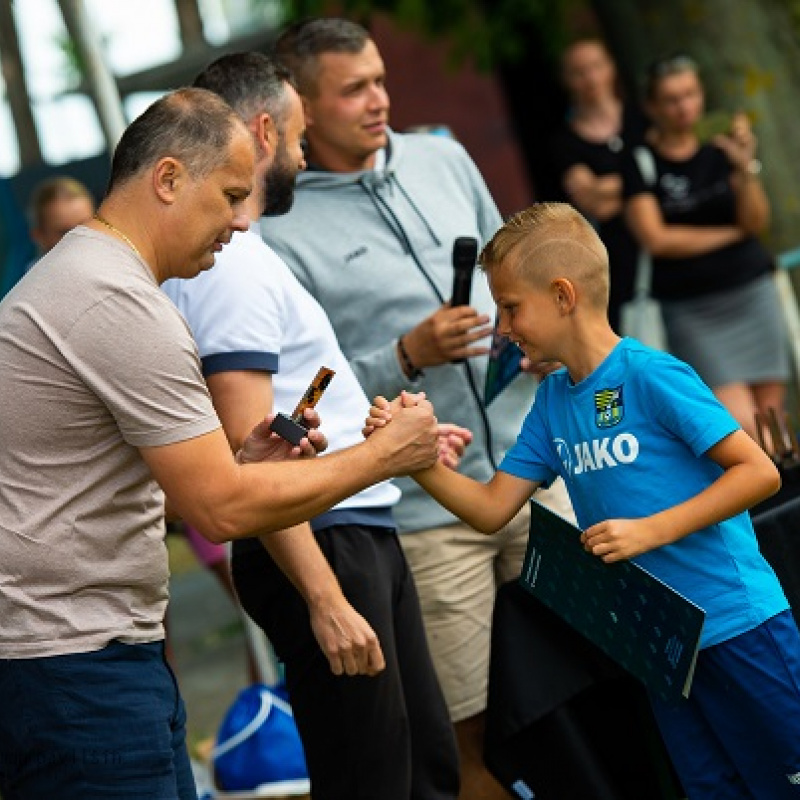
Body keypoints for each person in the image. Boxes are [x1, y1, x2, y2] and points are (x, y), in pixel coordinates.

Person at [0, 86, 442, 800]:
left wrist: (238, 466)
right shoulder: (115, 301)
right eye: (231, 195)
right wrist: (386, 456)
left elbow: (143, 487)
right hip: (74, 668)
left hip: (86, 658)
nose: (240, 222)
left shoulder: (98, 281)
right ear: (168, 179)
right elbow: (221, 513)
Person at [367, 201, 800, 800]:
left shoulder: (652, 374)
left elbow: (759, 473)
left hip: (741, 625)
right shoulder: (551, 402)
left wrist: (652, 530)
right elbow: (493, 508)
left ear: (564, 295)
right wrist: (413, 460)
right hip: (662, 651)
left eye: (512, 307)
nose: (505, 327)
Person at [264, 17, 575, 799]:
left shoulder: (443, 154)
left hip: (541, 476)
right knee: (468, 740)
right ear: (301, 106)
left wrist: (528, 329)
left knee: (599, 693)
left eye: (380, 79)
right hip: (428, 521)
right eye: (355, 89)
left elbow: (523, 270)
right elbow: (306, 391)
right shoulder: (276, 232)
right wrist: (403, 355)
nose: (380, 100)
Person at [163, 52, 462, 800]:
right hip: (325, 545)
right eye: (298, 135)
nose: (302, 153)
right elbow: (252, 460)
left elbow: (299, 403)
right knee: (373, 779)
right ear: (265, 131)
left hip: (353, 529)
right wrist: (326, 599)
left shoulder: (252, 257)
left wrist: (383, 436)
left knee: (421, 771)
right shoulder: (228, 266)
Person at [621, 54, 787, 439]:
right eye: (672, 99)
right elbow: (656, 239)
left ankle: (783, 494)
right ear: (652, 107)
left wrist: (745, 168)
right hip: (693, 309)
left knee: (774, 422)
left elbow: (757, 221)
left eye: (691, 94)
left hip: (751, 292)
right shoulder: (640, 163)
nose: (684, 107)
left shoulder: (720, 150)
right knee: (740, 423)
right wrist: (732, 235)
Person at [552, 38, 649, 332]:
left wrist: (606, 185)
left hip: (666, 252)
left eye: (596, 67)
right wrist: (644, 183)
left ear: (611, 68)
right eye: (580, 71)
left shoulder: (643, 119)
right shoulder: (564, 143)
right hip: (619, 264)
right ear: (567, 80)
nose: (591, 78)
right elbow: (594, 204)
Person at [26, 174, 95, 260]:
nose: (81, 239)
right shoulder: (36, 273)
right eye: (66, 233)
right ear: (40, 237)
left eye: (87, 227)